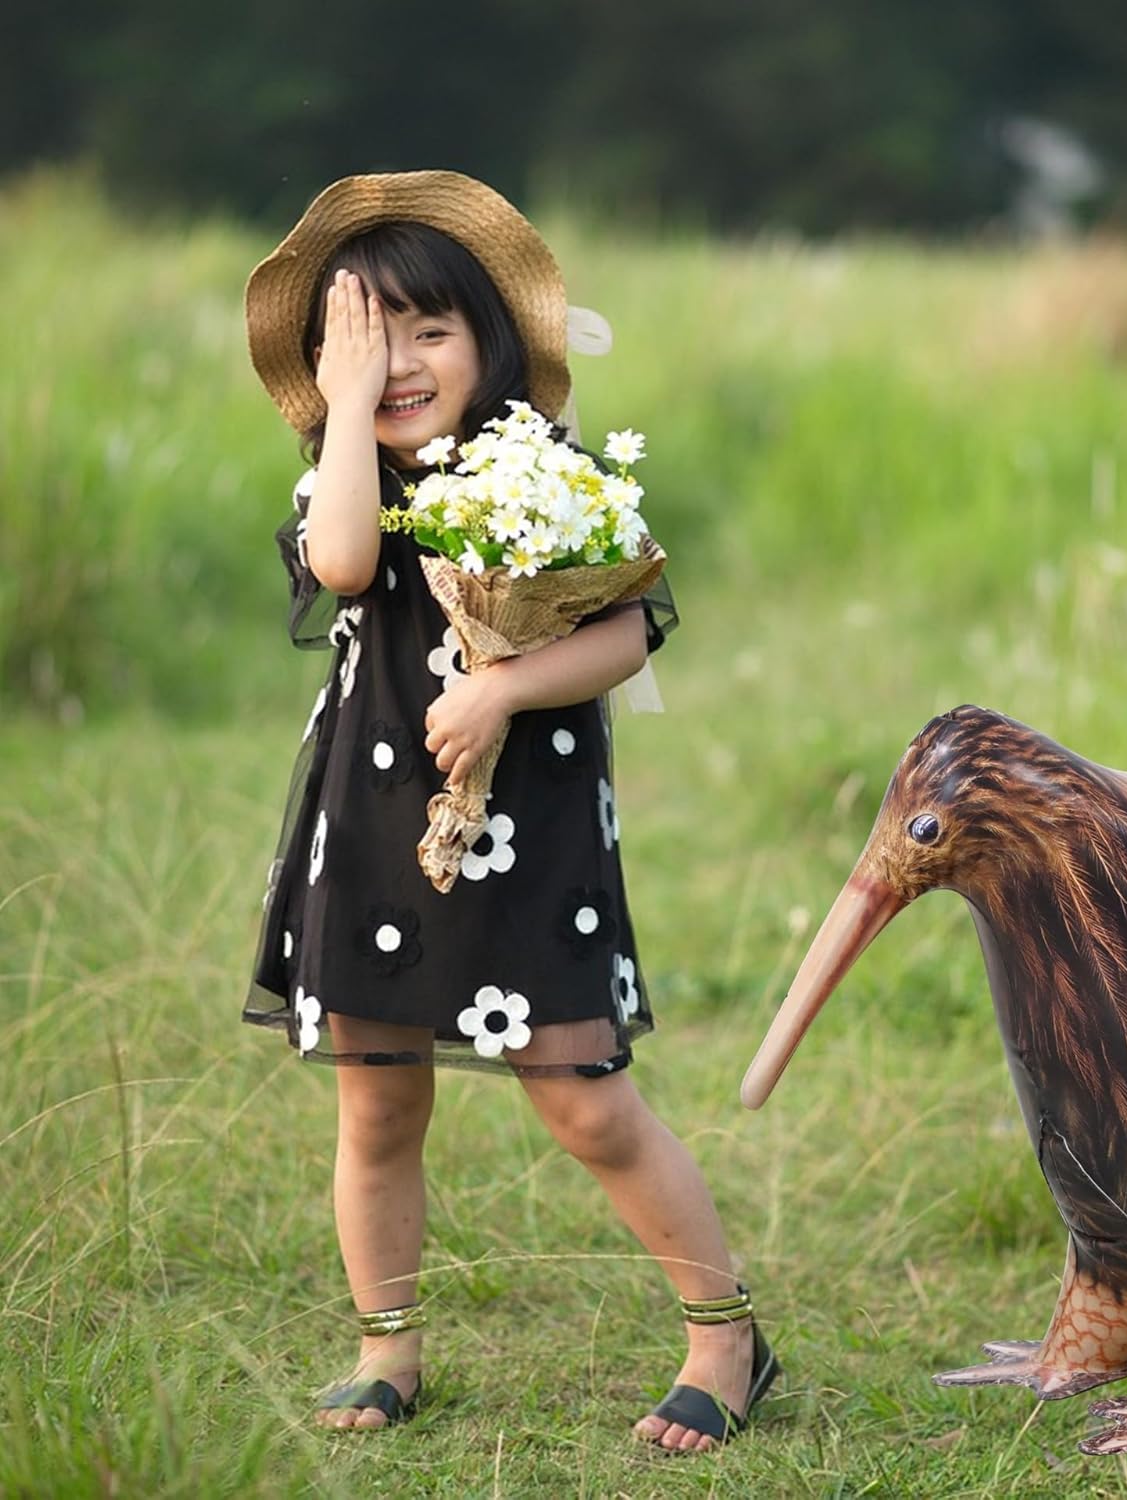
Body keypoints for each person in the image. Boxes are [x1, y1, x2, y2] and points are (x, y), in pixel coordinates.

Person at [241, 171, 776, 1450]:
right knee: (377, 1105)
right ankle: (388, 1346)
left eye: (429, 330)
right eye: (365, 338)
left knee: (585, 1098)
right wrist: (348, 412)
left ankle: (727, 1337)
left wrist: (504, 691)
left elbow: (628, 632)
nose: (400, 363)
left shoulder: (544, 471)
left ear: (489, 339)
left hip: (531, 830)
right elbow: (345, 566)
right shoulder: (343, 479)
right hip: (375, 824)